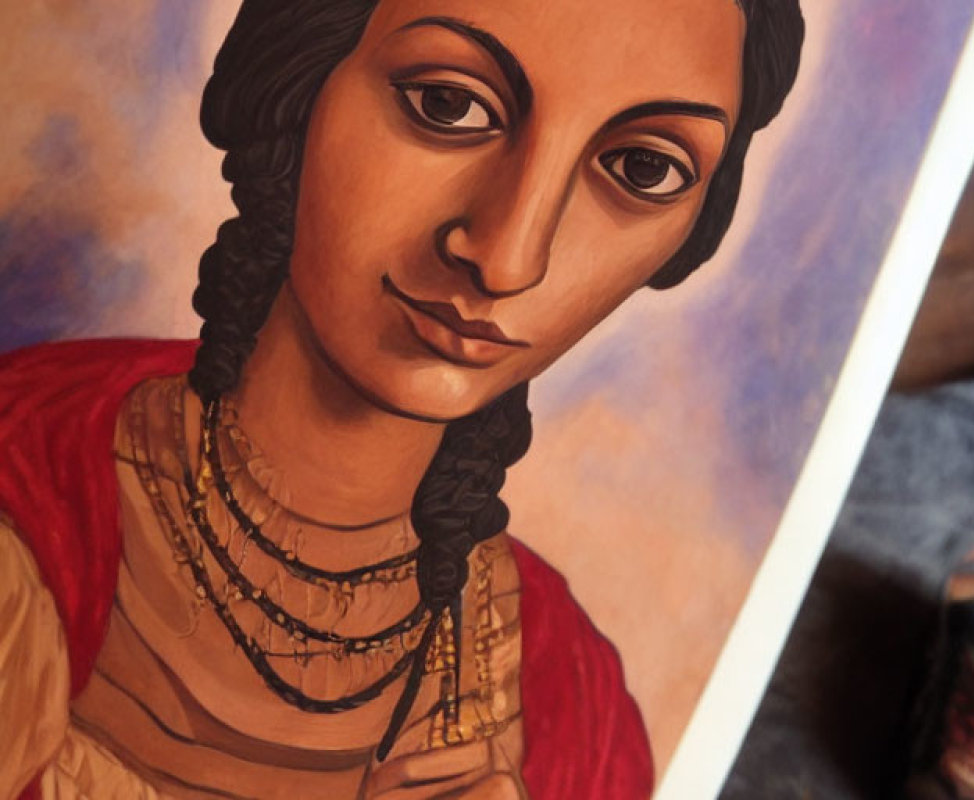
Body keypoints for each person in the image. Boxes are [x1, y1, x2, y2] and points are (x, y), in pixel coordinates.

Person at [0, 0, 804, 797]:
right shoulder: (27, 477)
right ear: (298, 78)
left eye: (642, 168)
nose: (507, 257)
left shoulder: (573, 708)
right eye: (448, 104)